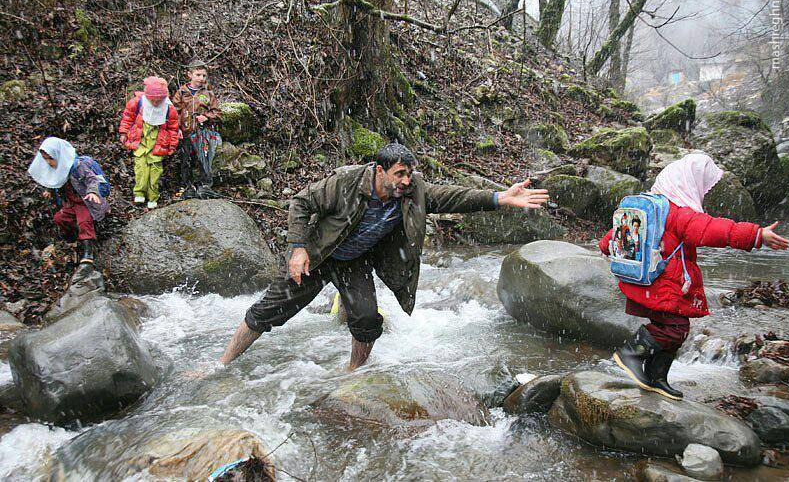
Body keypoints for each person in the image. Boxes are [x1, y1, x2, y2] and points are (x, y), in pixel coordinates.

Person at [219, 143, 550, 371]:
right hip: (321, 255)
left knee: (367, 320)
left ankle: (352, 373)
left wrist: (499, 197)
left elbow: (453, 197)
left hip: (355, 262)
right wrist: (298, 248)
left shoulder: (413, 190)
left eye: (410, 174)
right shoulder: (346, 182)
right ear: (380, 171)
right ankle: (222, 362)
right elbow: (302, 203)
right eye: (400, 174)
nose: (406, 181)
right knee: (269, 310)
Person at [599, 153, 789, 400]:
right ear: (689, 183)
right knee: (675, 329)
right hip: (666, 286)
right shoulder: (679, 213)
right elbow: (715, 230)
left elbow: (610, 240)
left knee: (674, 329)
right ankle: (631, 354)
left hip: (645, 281)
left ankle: (656, 378)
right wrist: (756, 235)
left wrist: (612, 250)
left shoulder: (645, 206)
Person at [27, 137, 109, 266]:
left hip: (84, 201)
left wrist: (92, 192)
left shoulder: (77, 166)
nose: (48, 162)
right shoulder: (56, 168)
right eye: (46, 159)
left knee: (84, 222)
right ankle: (72, 238)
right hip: (70, 203)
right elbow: (54, 179)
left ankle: (88, 250)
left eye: (51, 159)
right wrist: (49, 190)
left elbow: (92, 180)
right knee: (60, 218)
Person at [119, 76, 180, 209]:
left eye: (160, 100)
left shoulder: (169, 109)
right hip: (141, 141)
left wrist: (172, 145)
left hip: (158, 144)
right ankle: (139, 192)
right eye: (153, 100)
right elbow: (127, 117)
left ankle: (153, 197)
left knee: (155, 172)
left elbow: (173, 129)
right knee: (140, 168)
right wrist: (124, 133)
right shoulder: (137, 102)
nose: (156, 103)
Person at [172, 60, 222, 200]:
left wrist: (206, 117)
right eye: (198, 75)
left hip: (202, 133)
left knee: (203, 159)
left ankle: (204, 186)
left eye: (204, 76)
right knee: (186, 159)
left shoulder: (208, 94)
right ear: (190, 74)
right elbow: (174, 112)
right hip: (186, 132)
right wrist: (177, 129)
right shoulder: (182, 92)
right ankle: (185, 186)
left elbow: (217, 113)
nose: (201, 79)